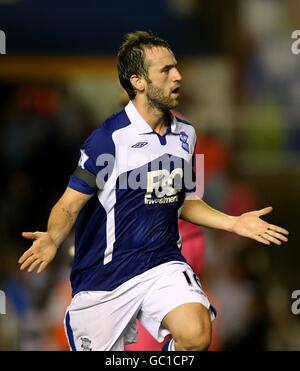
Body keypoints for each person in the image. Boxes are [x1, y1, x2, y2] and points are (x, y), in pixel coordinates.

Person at [18, 31, 289, 351]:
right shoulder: (108, 139)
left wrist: (233, 222)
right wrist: (52, 237)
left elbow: (184, 200)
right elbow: (69, 204)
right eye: (166, 70)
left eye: (176, 67)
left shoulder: (186, 134)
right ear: (138, 81)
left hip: (162, 263)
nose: (178, 76)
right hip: (105, 277)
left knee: (196, 334)